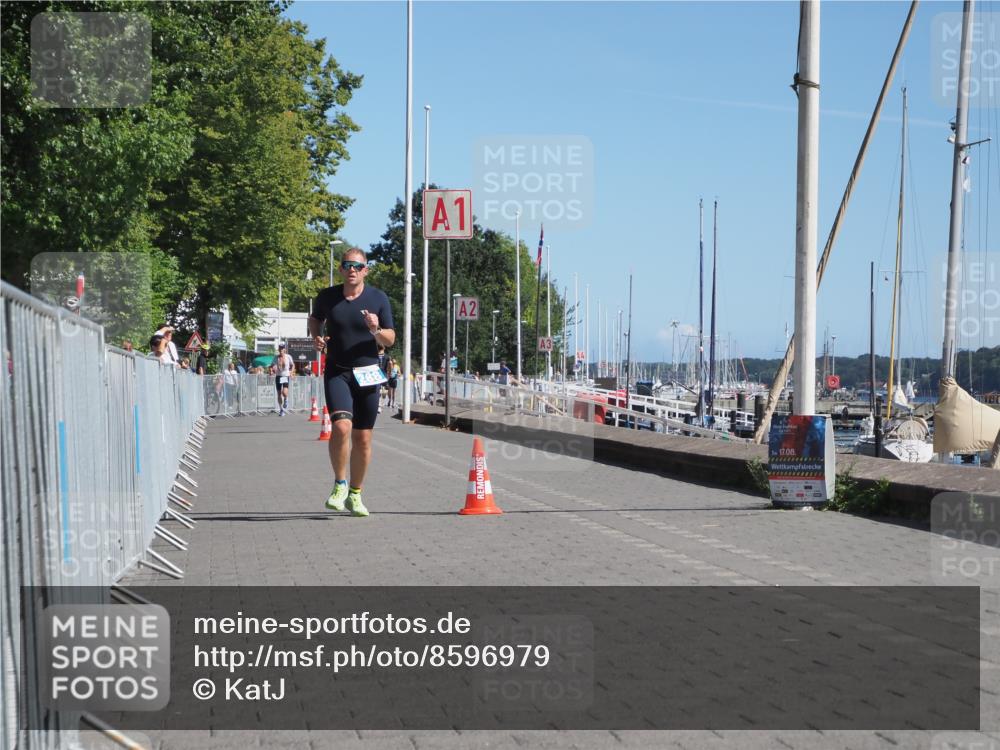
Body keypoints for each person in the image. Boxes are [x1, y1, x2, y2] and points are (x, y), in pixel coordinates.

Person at [308, 247, 395, 518]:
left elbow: (390, 339)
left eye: (357, 266)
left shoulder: (378, 298)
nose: (352, 270)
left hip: (368, 372)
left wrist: (375, 329)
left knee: (363, 438)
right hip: (338, 371)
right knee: (342, 426)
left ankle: (356, 494)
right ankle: (340, 484)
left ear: (366, 270)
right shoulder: (328, 297)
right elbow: (315, 319)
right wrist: (317, 337)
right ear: (342, 269)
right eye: (347, 265)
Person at [274, 343, 294, 416]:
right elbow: (272, 365)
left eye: (282, 348)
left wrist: (291, 372)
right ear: (278, 349)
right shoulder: (276, 357)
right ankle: (281, 410)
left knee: (284, 393)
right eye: (280, 348)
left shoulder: (288, 357)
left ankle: (286, 399)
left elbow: (292, 365)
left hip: (285, 376)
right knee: (279, 394)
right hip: (278, 376)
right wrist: (271, 369)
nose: (281, 349)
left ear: (284, 349)